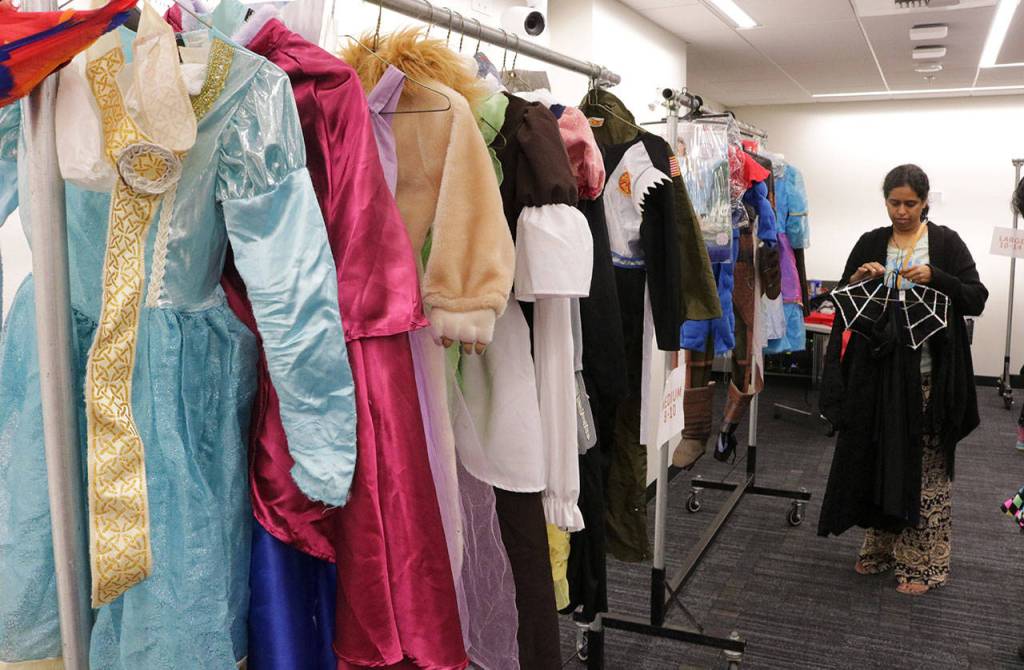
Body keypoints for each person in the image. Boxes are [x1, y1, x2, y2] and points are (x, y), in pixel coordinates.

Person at [817, 164, 988, 595]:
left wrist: (937, 277)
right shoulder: (872, 241)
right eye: (894, 202)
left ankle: (925, 562)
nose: (902, 211)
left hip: (931, 377)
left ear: (925, 201)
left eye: (910, 203)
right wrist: (857, 279)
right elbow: (843, 300)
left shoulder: (945, 243)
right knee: (880, 459)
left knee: (926, 468)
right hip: (877, 376)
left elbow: (976, 298)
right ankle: (881, 546)